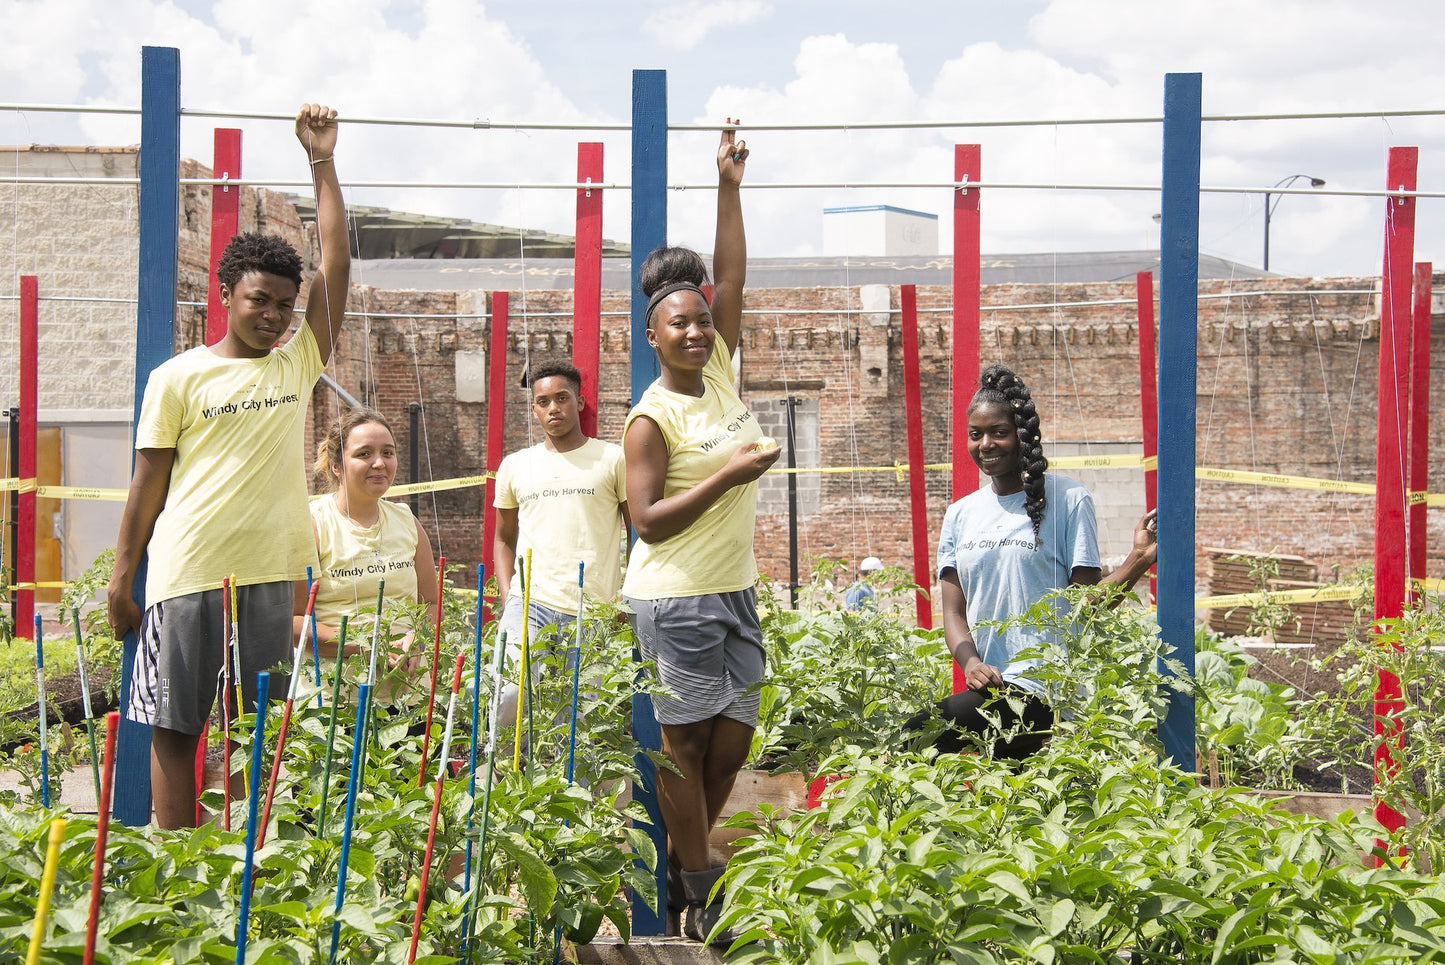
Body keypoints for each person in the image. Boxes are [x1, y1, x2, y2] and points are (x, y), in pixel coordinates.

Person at [107, 103, 349, 829]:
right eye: (258, 301)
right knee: (177, 729)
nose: (273, 316)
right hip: (186, 573)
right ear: (225, 296)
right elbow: (147, 484)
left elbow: (337, 263)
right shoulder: (177, 378)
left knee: (256, 730)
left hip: (270, 575)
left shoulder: (294, 365)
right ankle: (180, 866)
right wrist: (122, 579)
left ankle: (244, 866)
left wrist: (322, 160)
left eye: (284, 305)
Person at [621, 123, 780, 944]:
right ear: (652, 335)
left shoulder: (718, 370)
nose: (693, 331)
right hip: (674, 595)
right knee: (684, 747)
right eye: (677, 324)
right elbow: (644, 523)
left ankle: (684, 861)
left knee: (732, 745)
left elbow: (732, 276)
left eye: (700, 321)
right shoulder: (649, 419)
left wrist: (727, 186)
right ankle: (699, 882)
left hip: (734, 589)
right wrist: (729, 476)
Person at [906, 363, 1157, 759]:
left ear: (1022, 435)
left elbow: (1086, 606)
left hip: (1047, 689)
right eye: (975, 434)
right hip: (991, 688)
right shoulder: (960, 514)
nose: (986, 444)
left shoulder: (1069, 499)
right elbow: (953, 613)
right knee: (1009, 792)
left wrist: (1138, 559)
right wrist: (971, 663)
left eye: (998, 432)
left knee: (916, 734)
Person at [492, 358, 628, 726]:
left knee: (581, 716)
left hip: (592, 608)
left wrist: (624, 597)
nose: (553, 408)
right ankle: (501, 763)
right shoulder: (515, 465)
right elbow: (503, 539)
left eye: (562, 398)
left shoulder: (612, 459)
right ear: (534, 409)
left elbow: (637, 533)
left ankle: (576, 769)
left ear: (579, 402)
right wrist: (509, 597)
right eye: (543, 401)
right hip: (529, 604)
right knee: (509, 695)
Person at [300, 408, 437, 669]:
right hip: (336, 688)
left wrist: (416, 639)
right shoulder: (314, 525)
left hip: (406, 687)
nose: (379, 463)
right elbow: (294, 621)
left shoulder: (407, 522)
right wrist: (367, 647)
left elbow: (431, 602)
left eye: (388, 453)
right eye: (364, 454)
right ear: (336, 466)